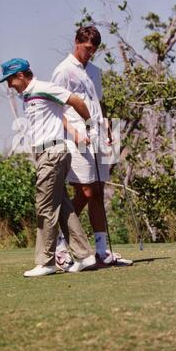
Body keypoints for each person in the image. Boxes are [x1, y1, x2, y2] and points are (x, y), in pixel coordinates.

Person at [0, 57, 97, 277]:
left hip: (52, 154)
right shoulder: (29, 96)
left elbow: (77, 102)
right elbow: (58, 116)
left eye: (10, 80)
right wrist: (72, 131)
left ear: (20, 75)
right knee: (62, 207)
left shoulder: (44, 88)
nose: (9, 85)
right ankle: (85, 255)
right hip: (46, 154)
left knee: (44, 208)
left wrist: (90, 127)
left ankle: (46, 262)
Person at [52, 26, 133, 268]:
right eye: (87, 49)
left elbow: (99, 104)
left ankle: (102, 251)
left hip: (99, 134)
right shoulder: (62, 71)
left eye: (94, 50)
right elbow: (55, 109)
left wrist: (109, 130)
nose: (90, 54)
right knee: (85, 193)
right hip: (75, 136)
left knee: (98, 191)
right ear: (76, 42)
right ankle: (58, 241)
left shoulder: (95, 71)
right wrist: (74, 133)